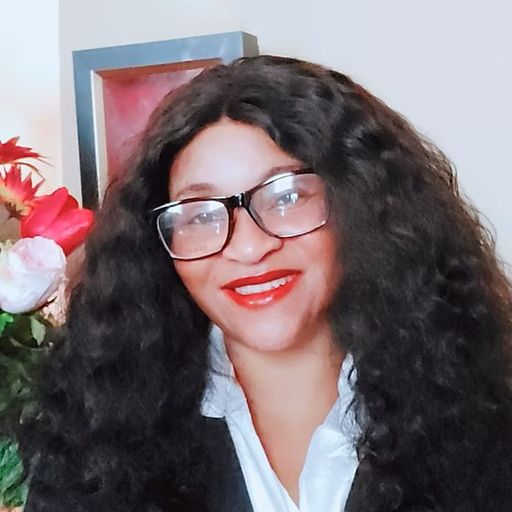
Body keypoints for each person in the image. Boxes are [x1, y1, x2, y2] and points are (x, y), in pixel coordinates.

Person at [20, 55, 512, 512]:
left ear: (358, 205)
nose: (249, 247)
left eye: (287, 196)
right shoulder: (95, 438)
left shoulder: (488, 418)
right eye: (199, 214)